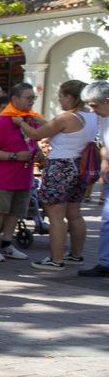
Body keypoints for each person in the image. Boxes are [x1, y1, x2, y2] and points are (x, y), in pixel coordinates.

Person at [13, 79, 98, 270]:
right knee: (75, 214)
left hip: (61, 166)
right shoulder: (90, 115)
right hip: (79, 166)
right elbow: (64, 132)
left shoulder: (66, 117)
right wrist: (43, 123)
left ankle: (56, 259)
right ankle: (76, 255)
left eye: (60, 96)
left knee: (55, 215)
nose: (59, 100)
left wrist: (20, 122)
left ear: (69, 97)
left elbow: (36, 135)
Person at [0, 82, 43, 262]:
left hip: (24, 177)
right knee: (0, 211)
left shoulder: (30, 119)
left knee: (16, 212)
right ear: (15, 99)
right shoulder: (2, 121)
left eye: (34, 98)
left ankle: (7, 244)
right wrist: (14, 156)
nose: (32, 101)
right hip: (3, 178)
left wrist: (37, 151)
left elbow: (33, 141)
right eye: (28, 98)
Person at [77, 81, 109, 276]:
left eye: (95, 105)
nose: (92, 109)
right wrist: (105, 162)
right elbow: (105, 143)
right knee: (106, 221)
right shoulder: (103, 116)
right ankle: (106, 263)